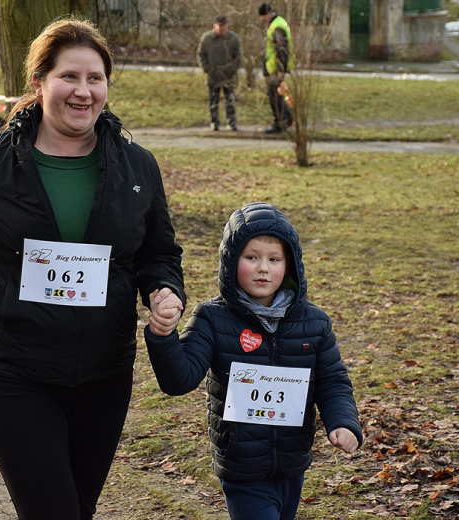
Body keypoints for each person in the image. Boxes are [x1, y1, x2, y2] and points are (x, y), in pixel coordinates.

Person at [0, 18, 186, 520]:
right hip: (11, 369)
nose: (83, 92)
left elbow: (158, 253)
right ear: (39, 82)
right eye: (69, 77)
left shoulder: (137, 167)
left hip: (104, 372)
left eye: (95, 78)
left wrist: (164, 290)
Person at [144, 202, 361, 520]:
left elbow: (332, 382)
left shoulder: (314, 323)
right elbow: (180, 379)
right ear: (231, 261)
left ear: (289, 265)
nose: (263, 268)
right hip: (242, 465)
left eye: (274, 259)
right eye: (251, 257)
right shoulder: (213, 319)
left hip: (292, 462)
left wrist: (344, 423)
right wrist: (163, 337)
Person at [197, 15, 243, 131]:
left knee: (230, 100)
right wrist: (208, 69)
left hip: (228, 75)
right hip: (213, 75)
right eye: (220, 27)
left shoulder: (233, 39)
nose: (222, 30)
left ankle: (232, 122)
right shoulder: (207, 39)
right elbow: (201, 55)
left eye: (224, 27)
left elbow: (238, 57)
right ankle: (214, 122)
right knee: (213, 101)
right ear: (214, 27)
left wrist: (231, 70)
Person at [258, 3, 295, 134]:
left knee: (274, 97)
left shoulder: (277, 27)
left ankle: (279, 123)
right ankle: (288, 118)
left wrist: (281, 70)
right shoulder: (277, 24)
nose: (261, 20)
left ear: (267, 15)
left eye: (262, 17)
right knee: (278, 95)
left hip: (275, 69)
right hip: (273, 68)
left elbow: (282, 49)